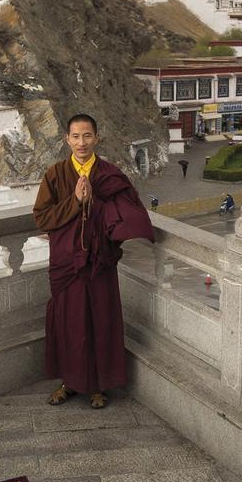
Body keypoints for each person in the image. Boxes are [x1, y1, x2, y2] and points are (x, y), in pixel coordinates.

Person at [34, 113, 154, 411]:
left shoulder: (110, 175)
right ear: (67, 139)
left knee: (101, 321)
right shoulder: (55, 174)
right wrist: (74, 202)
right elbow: (42, 217)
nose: (81, 142)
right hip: (66, 263)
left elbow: (129, 211)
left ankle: (99, 385)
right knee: (69, 322)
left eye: (87, 136)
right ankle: (70, 382)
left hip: (100, 262)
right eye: (75, 136)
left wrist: (96, 203)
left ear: (96, 138)